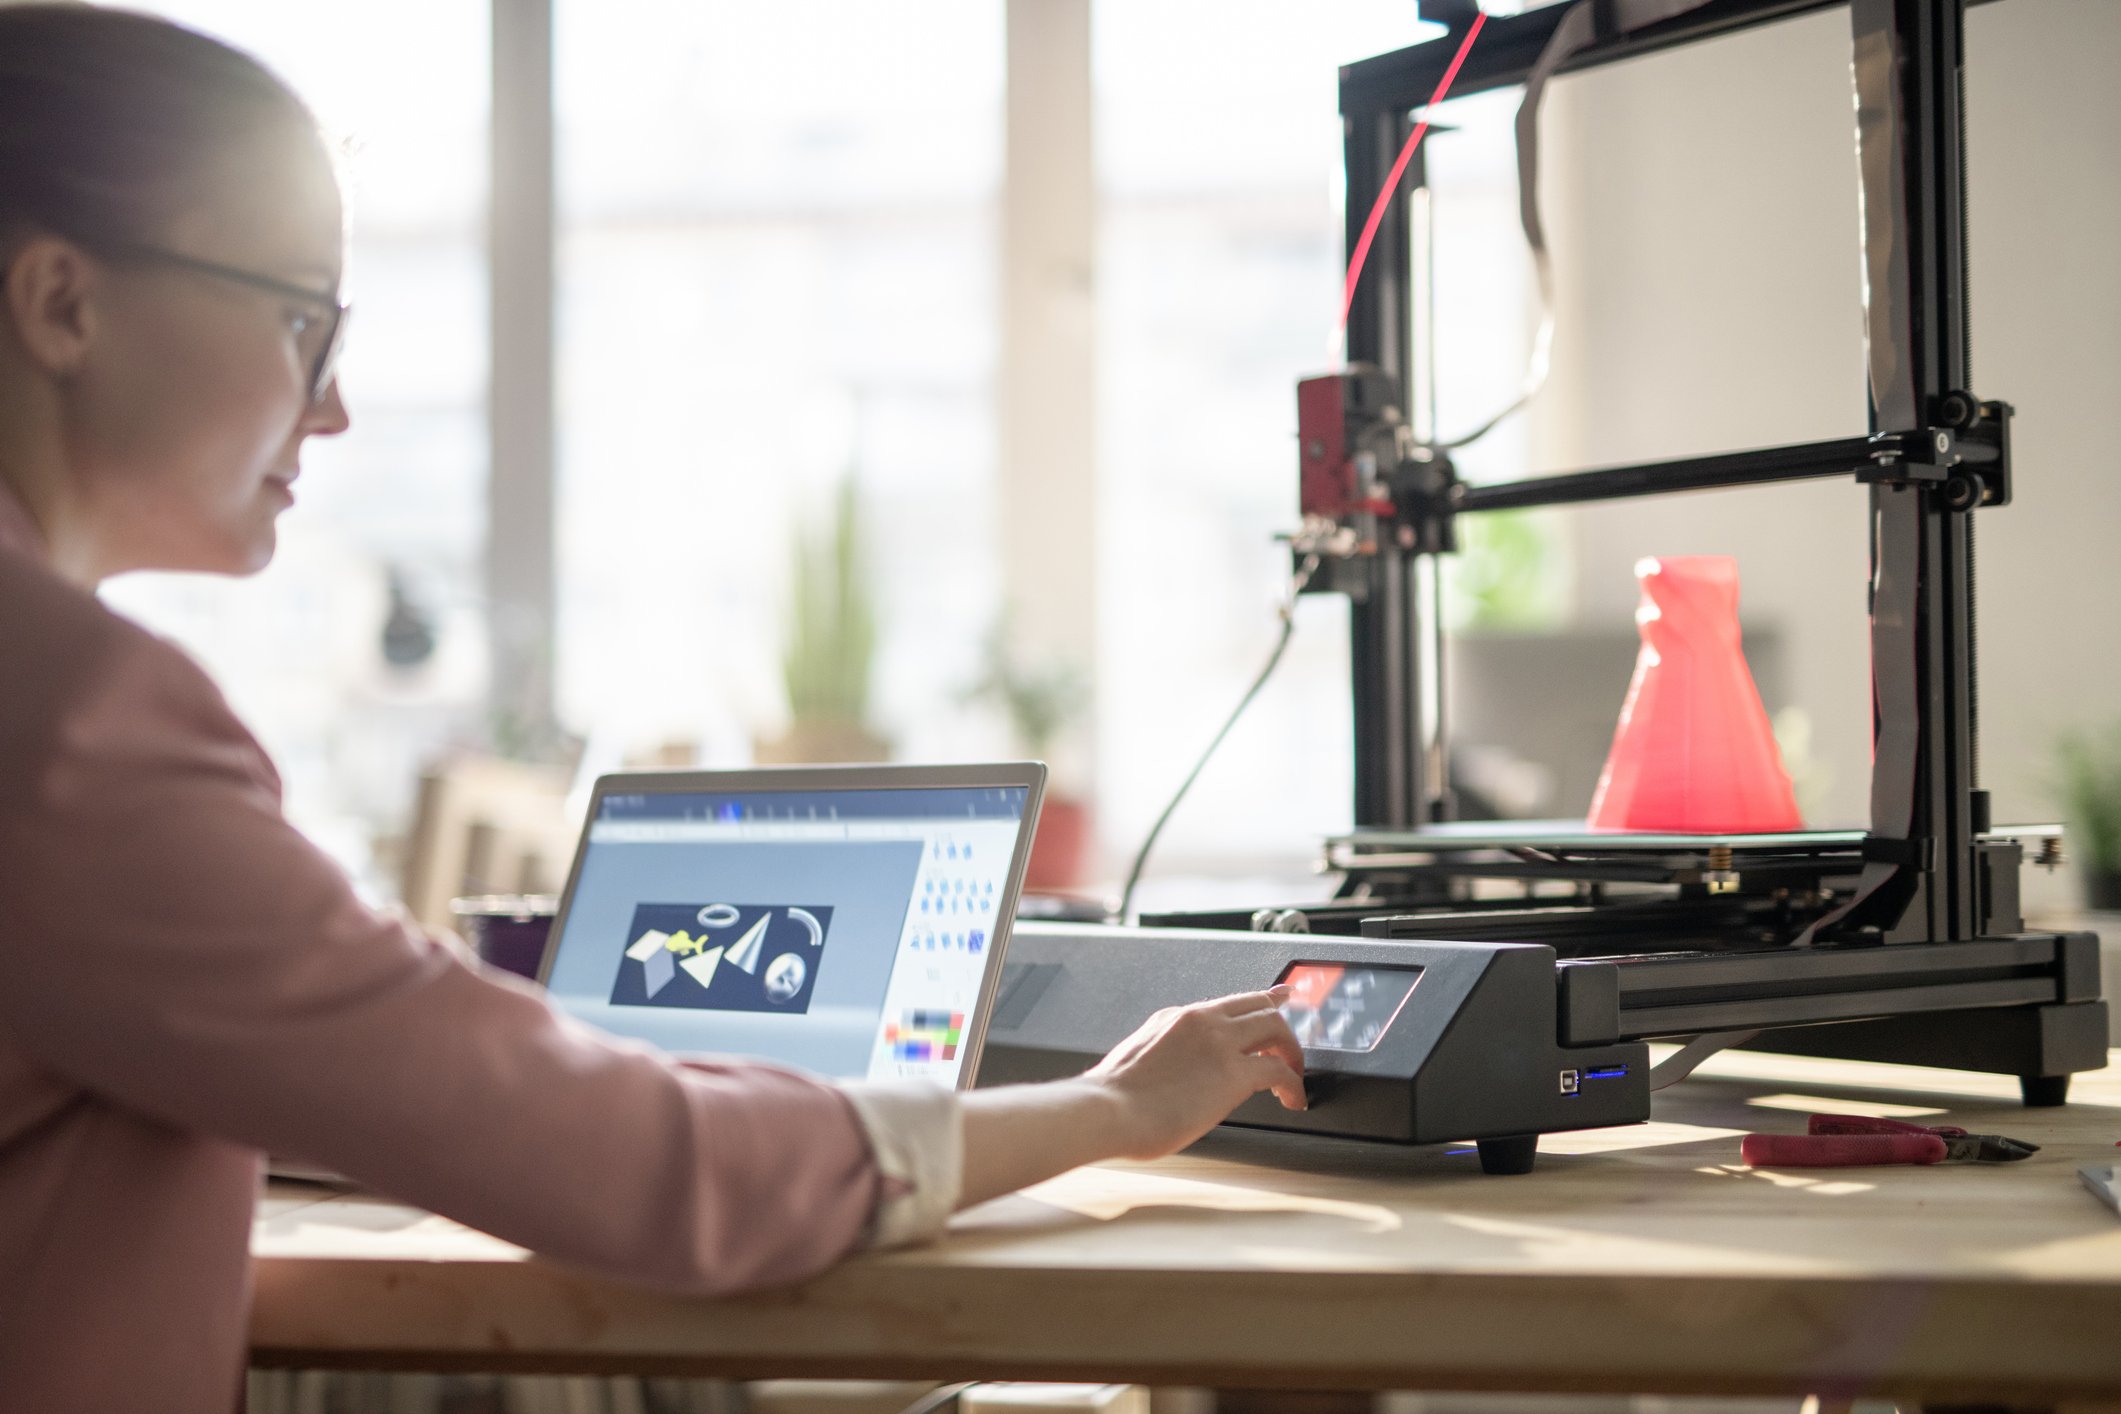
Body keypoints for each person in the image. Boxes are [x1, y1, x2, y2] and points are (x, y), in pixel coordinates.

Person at [0, 8, 1307, 1411]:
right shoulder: (72, 718)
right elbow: (636, 1162)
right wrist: (1112, 1109)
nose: (335, 410)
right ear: (64, 303)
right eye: (302, 318)